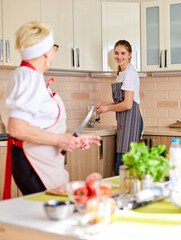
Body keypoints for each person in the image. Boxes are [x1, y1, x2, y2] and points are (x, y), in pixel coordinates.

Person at [1, 21, 101, 200]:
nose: (55, 52)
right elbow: (17, 128)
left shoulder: (28, 75)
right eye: (54, 47)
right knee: (48, 213)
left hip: (41, 160)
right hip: (34, 162)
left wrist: (68, 140)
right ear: (46, 52)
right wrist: (60, 139)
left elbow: (40, 124)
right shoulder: (29, 77)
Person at [96, 40, 142, 176]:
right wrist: (108, 105)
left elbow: (128, 104)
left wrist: (108, 109)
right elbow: (123, 100)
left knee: (122, 166)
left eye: (123, 53)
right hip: (124, 122)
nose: (119, 56)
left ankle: (123, 194)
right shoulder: (122, 73)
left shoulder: (130, 73)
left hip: (131, 121)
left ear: (130, 55)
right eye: (116, 53)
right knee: (123, 164)